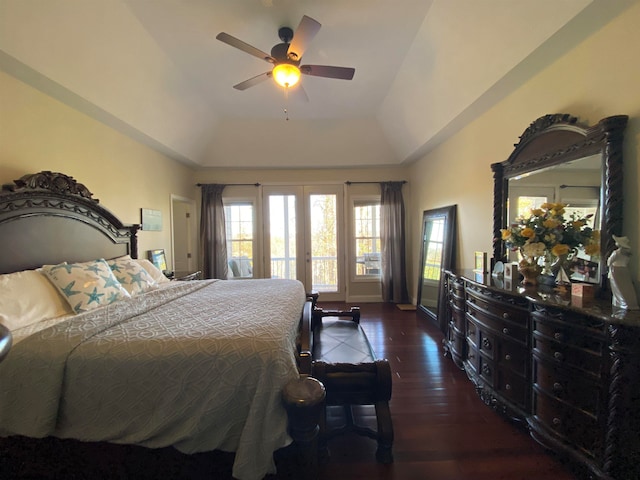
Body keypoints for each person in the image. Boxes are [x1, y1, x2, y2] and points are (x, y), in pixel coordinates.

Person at [607, 235, 639, 309]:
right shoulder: (627, 253)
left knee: (617, 288)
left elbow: (609, 261)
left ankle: (621, 303)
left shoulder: (617, 252)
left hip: (616, 270)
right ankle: (629, 303)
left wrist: (609, 265)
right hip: (624, 270)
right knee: (626, 287)